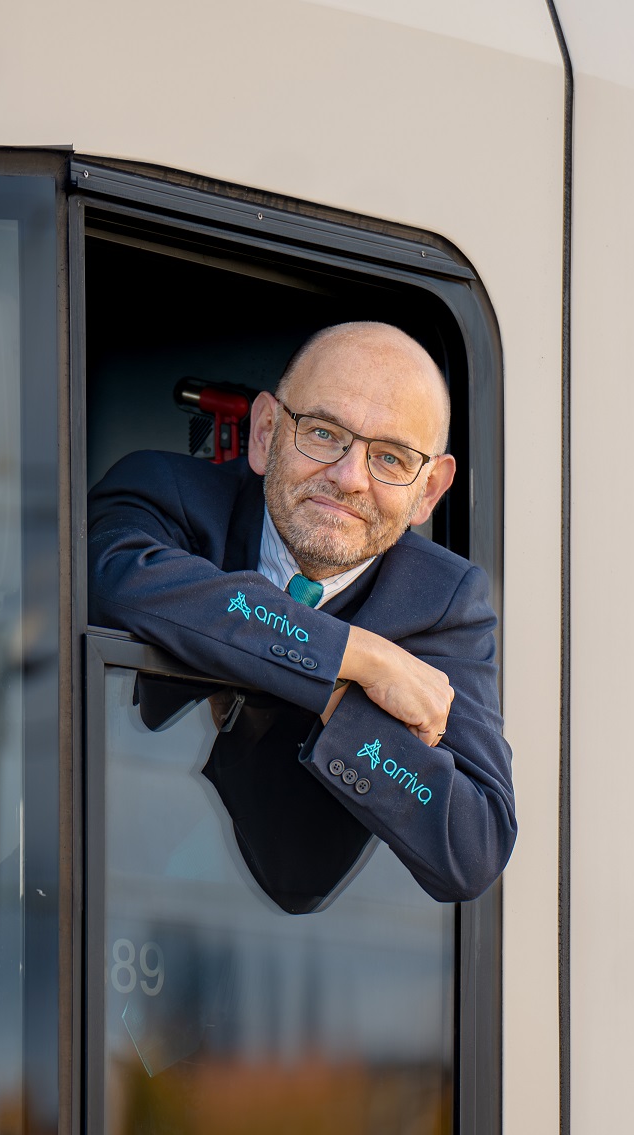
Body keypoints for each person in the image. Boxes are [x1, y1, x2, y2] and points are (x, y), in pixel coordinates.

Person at [88, 322, 514, 902]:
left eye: (390, 458)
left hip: (277, 943)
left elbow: (473, 845)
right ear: (265, 433)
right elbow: (115, 578)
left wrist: (336, 696)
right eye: (322, 432)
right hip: (86, 870)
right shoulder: (165, 491)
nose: (349, 477)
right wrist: (352, 658)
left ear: (428, 492)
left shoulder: (444, 602)